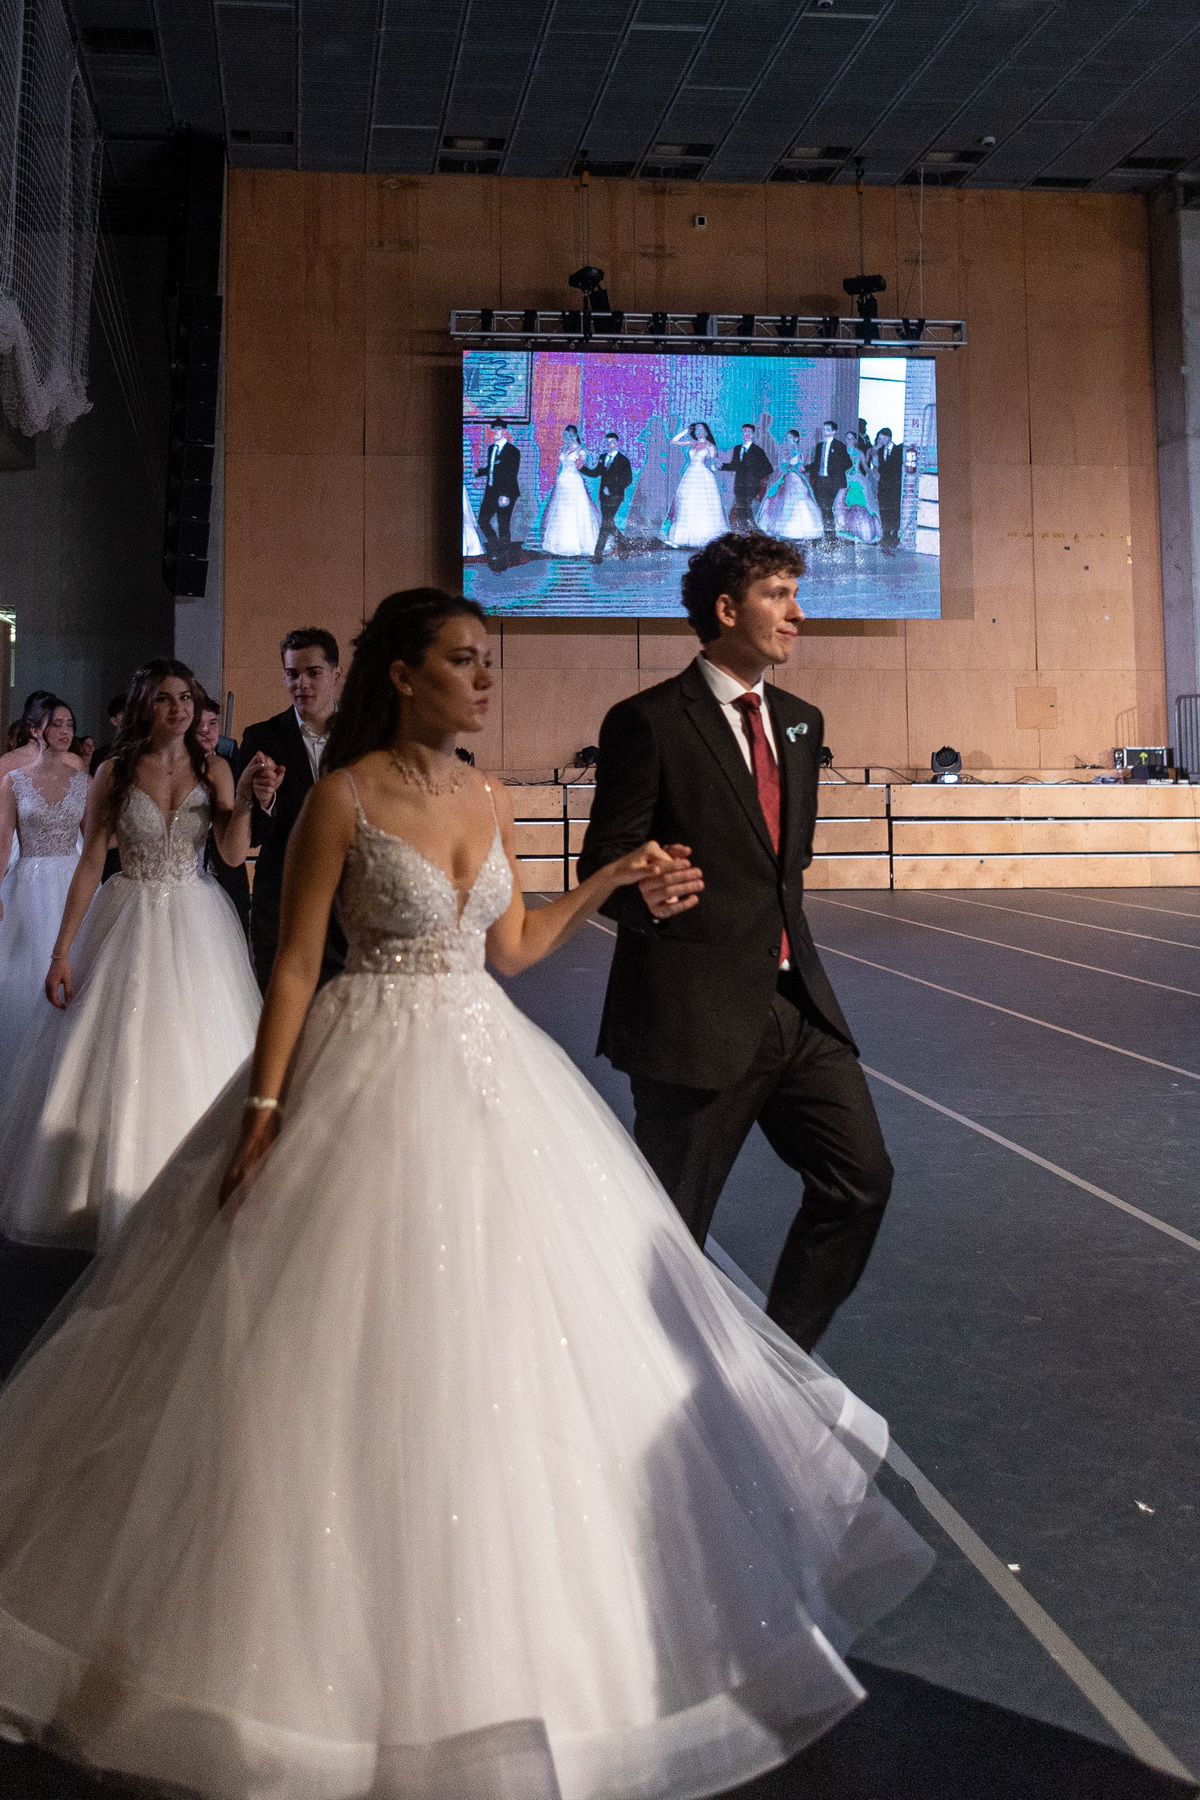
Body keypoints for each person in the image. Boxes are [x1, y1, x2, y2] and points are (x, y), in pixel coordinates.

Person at [0, 586, 930, 1800]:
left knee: (516, 1341)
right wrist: (265, 1109)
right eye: (461, 660)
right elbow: (297, 963)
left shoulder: (490, 796)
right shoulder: (343, 796)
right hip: (361, 1063)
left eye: (487, 660)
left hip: (492, 1073)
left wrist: (612, 880)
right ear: (403, 673)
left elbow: (516, 947)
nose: (484, 679)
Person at [578, 532, 895, 1354]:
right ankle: (636, 1387)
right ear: (726, 609)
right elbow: (604, 861)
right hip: (693, 1014)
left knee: (859, 1183)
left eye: (796, 593)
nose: (798, 614)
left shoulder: (800, 723)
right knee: (669, 1230)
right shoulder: (648, 721)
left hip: (796, 1005)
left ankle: (778, 1365)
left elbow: (785, 864)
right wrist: (644, 892)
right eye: (779, 595)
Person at [0, 660, 273, 1252]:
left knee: (197, 1044)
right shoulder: (115, 771)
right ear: (145, 704)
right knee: (121, 1047)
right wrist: (61, 952)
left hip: (196, 920)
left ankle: (195, 1183)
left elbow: (231, 853)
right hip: (128, 913)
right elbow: (90, 861)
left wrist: (251, 800)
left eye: (186, 699)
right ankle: (111, 1184)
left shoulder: (214, 768)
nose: (179, 709)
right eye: (166, 698)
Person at [237, 628, 345, 992]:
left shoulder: (364, 736)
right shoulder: (261, 738)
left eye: (313, 673)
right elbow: (252, 836)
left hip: (350, 905)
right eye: (292, 674)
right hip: (283, 903)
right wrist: (264, 800)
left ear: (336, 674)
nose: (302, 684)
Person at [0, 698, 89, 1084]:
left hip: (73, 875)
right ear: (36, 729)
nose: (65, 731)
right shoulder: (14, 780)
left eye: (69, 724)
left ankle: (70, 1068)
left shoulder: (82, 778)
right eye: (56, 724)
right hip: (29, 881)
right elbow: (3, 839)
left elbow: (96, 839)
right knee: (26, 971)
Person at [196, 692, 252, 937]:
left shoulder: (228, 767)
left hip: (228, 875)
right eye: (199, 725)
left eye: (213, 723)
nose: (207, 731)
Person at [538, 424, 599, 556]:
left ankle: (577, 543)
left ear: (575, 435)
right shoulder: (564, 449)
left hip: (574, 482)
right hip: (562, 482)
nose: (566, 437)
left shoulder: (581, 451)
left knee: (575, 509)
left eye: (568, 434)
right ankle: (559, 542)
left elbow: (581, 467)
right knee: (561, 510)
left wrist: (580, 462)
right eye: (565, 435)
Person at [664, 422, 727, 548]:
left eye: (701, 429)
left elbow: (713, 466)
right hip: (689, 475)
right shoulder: (692, 443)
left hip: (702, 476)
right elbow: (673, 441)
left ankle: (703, 537)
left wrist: (715, 462)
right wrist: (686, 430)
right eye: (697, 430)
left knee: (702, 504)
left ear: (706, 432)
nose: (699, 432)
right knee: (686, 504)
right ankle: (680, 538)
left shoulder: (710, 446)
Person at [759, 429, 824, 541]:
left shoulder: (799, 453)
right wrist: (787, 463)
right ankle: (780, 529)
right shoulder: (785, 452)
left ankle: (797, 529)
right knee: (780, 500)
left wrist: (797, 465)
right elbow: (782, 465)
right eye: (787, 438)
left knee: (799, 500)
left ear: (796, 439)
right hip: (786, 477)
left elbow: (799, 466)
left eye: (791, 438)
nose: (788, 440)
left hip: (795, 477)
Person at [582, 430, 634, 563]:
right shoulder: (603, 457)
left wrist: (612, 489)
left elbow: (628, 480)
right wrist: (581, 468)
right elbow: (595, 473)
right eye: (608, 442)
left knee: (606, 524)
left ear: (617, 443)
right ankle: (624, 543)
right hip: (603, 496)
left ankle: (597, 556)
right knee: (607, 524)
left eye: (612, 442)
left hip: (615, 496)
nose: (610, 444)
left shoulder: (623, 460)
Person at [474, 417, 521, 546]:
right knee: (483, 520)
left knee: (503, 523)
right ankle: (495, 544)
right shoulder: (491, 449)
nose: (494, 432)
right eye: (492, 430)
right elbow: (492, 469)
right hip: (491, 491)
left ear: (504, 431)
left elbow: (511, 474)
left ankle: (504, 552)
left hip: (506, 492)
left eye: (497, 430)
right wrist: (478, 472)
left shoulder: (513, 451)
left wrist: (505, 495)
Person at [720, 423, 773, 534]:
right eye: (744, 432)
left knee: (746, 510)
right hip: (739, 485)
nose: (746, 434)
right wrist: (722, 466)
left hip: (751, 486)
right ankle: (746, 534)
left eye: (749, 432)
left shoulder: (758, 451)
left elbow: (769, 468)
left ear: (753, 434)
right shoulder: (737, 448)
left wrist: (755, 476)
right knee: (741, 510)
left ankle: (751, 533)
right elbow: (735, 465)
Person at [806, 421, 851, 546]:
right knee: (821, 508)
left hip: (833, 482)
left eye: (828, 429)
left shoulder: (839, 446)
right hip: (820, 480)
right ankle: (825, 536)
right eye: (824, 429)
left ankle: (830, 537)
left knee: (828, 508)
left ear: (834, 431)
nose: (825, 432)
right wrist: (806, 468)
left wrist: (835, 470)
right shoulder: (820, 446)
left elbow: (848, 463)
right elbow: (817, 463)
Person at [836, 436, 882, 545]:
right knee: (843, 503)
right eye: (847, 438)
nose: (849, 440)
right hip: (845, 478)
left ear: (855, 440)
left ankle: (860, 530)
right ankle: (846, 529)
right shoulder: (842, 451)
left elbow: (865, 467)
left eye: (852, 439)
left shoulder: (859, 452)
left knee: (859, 504)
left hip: (856, 479)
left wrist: (873, 472)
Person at [874, 427, 904, 551]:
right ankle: (886, 535)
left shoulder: (898, 450)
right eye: (880, 438)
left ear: (889, 438)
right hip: (883, 486)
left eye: (883, 438)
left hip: (895, 486)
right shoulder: (880, 451)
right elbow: (879, 468)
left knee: (895, 510)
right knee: (884, 510)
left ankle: (894, 535)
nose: (881, 440)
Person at [89, 692, 127, 775]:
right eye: (124, 713)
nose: (131, 717)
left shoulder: (149, 749)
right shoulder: (101, 755)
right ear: (114, 721)